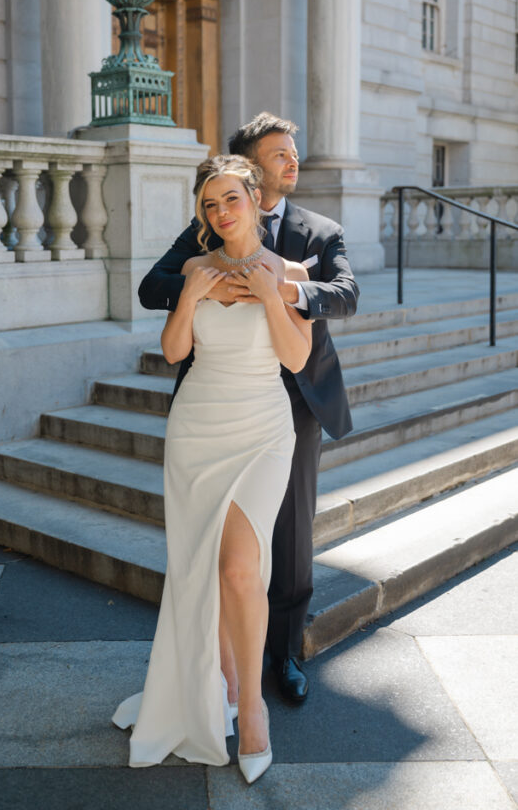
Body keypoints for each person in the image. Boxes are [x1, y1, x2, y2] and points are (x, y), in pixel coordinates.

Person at [138, 112, 359, 704]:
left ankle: (283, 654)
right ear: (249, 168)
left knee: (290, 534)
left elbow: (345, 295)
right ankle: (220, 657)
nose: (293, 160)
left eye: (293, 151)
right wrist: (208, 277)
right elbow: (150, 286)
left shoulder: (319, 231)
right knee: (223, 542)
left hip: (297, 396)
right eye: (280, 153)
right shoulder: (209, 225)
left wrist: (279, 286)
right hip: (219, 398)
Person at [113, 155, 311, 782]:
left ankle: (252, 709)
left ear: (255, 198)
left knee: (237, 568)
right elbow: (175, 350)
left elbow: (298, 359)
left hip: (262, 429)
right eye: (209, 205)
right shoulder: (194, 267)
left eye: (231, 199)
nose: (221, 213)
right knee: (203, 568)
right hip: (197, 427)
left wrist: (268, 295)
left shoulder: (290, 269)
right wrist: (192, 293)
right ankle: (223, 683)